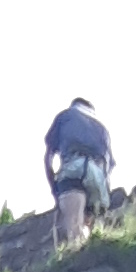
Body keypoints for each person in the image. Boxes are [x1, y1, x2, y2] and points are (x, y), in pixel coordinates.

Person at [45, 96, 113, 243]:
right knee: (92, 226)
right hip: (98, 174)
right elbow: (110, 164)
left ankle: (74, 247)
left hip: (73, 168)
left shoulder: (65, 116)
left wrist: (55, 188)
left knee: (72, 227)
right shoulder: (102, 129)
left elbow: (49, 156)